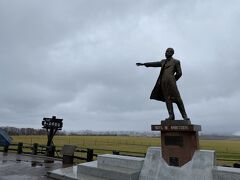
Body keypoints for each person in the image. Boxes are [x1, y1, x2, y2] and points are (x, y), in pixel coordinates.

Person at [136, 48, 190, 121]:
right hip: (163, 84)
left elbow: (179, 73)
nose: (166, 53)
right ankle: (171, 116)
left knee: (178, 99)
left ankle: (184, 116)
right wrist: (144, 64)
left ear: (172, 53)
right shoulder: (163, 62)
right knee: (168, 100)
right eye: (165, 52)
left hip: (171, 83)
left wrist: (173, 80)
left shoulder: (176, 62)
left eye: (168, 52)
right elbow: (154, 64)